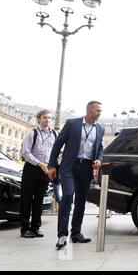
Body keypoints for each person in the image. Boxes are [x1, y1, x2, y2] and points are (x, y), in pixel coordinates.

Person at [47, 101, 105, 249]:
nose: (100, 113)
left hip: (86, 167)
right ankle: (62, 235)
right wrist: (52, 165)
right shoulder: (72, 123)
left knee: (80, 200)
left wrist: (99, 158)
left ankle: (76, 233)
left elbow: (100, 148)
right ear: (89, 110)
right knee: (68, 195)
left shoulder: (100, 128)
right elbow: (58, 144)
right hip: (69, 166)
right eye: (98, 110)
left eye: (100, 111)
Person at [20, 110, 57, 238]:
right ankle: (25, 228)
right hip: (32, 168)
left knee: (39, 200)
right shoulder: (32, 133)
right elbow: (25, 152)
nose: (47, 120)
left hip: (46, 170)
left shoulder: (54, 134)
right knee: (27, 199)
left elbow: (55, 152)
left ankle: (36, 227)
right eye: (45, 117)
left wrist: (52, 166)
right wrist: (39, 164)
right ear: (39, 119)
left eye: (49, 118)